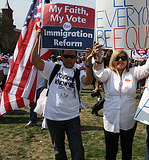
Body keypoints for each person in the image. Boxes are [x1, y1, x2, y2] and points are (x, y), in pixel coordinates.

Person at [30, 27, 94, 160]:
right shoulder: (53, 68)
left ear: (76, 57)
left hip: (72, 117)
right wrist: (38, 38)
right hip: (53, 117)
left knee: (77, 151)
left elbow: (87, 81)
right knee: (59, 151)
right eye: (66, 56)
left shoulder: (78, 72)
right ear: (61, 56)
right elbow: (35, 61)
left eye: (72, 56)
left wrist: (88, 64)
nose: (68, 59)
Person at [93, 40, 149, 160]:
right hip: (111, 118)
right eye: (117, 58)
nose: (120, 61)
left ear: (127, 60)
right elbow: (99, 75)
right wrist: (98, 57)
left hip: (128, 118)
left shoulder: (133, 72)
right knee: (110, 151)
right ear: (113, 60)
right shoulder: (108, 73)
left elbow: (148, 68)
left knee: (127, 150)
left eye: (124, 58)